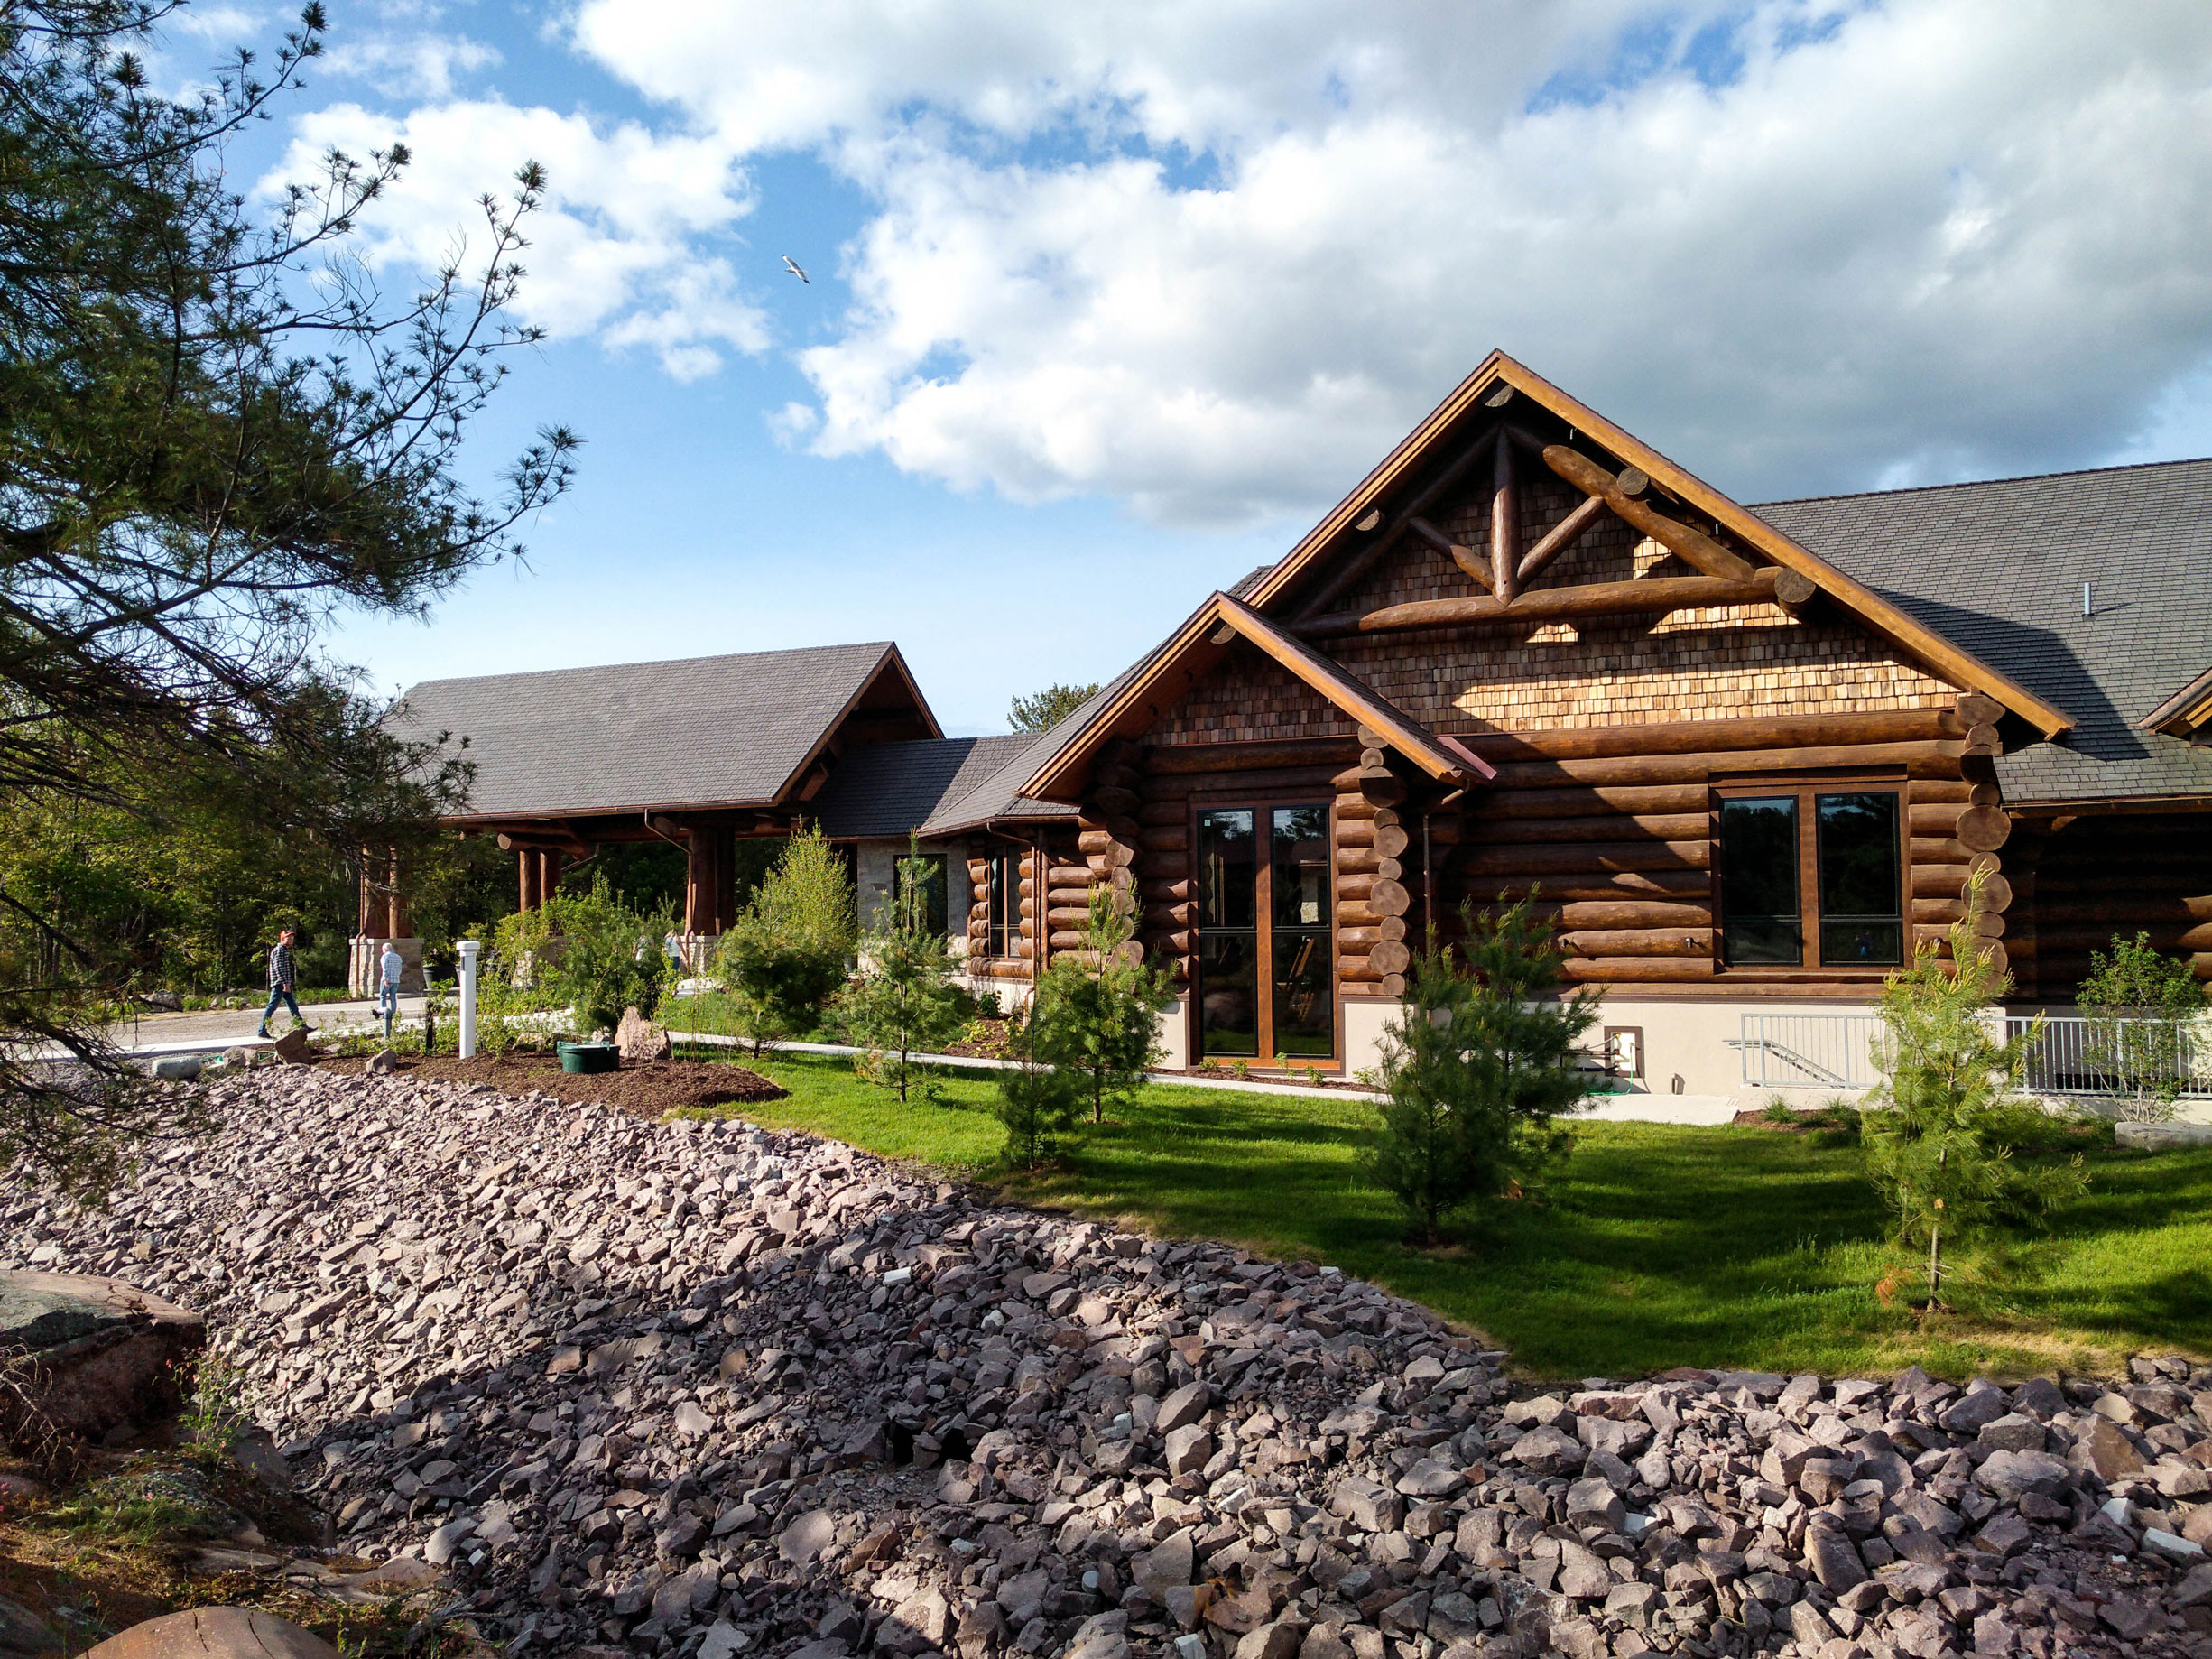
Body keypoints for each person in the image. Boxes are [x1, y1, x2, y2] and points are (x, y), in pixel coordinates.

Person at [257, 926, 311, 1039]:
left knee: (292, 1005)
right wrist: (285, 984)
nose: (291, 941)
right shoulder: (279, 951)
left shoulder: (284, 951)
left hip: (284, 983)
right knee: (272, 1006)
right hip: (279, 984)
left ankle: (302, 1027)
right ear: (282, 939)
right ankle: (262, 1030)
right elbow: (279, 968)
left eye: (292, 939)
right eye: (288, 939)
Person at [377, 939, 404, 1043]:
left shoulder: (385, 957)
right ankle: (393, 1012)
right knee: (393, 997)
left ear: (385, 949)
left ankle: (383, 1012)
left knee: (383, 995)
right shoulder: (398, 957)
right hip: (396, 979)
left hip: (387, 980)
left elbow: (385, 968)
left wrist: (385, 979)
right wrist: (396, 977)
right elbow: (399, 969)